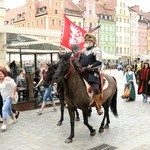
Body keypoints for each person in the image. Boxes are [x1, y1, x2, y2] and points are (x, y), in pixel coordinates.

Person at [78, 33, 103, 115]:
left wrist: (90, 67)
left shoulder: (96, 50)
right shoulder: (82, 51)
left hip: (92, 72)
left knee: (95, 88)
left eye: (89, 40)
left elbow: (98, 62)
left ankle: (98, 106)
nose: (87, 42)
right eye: (87, 40)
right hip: (82, 72)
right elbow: (79, 61)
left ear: (93, 42)